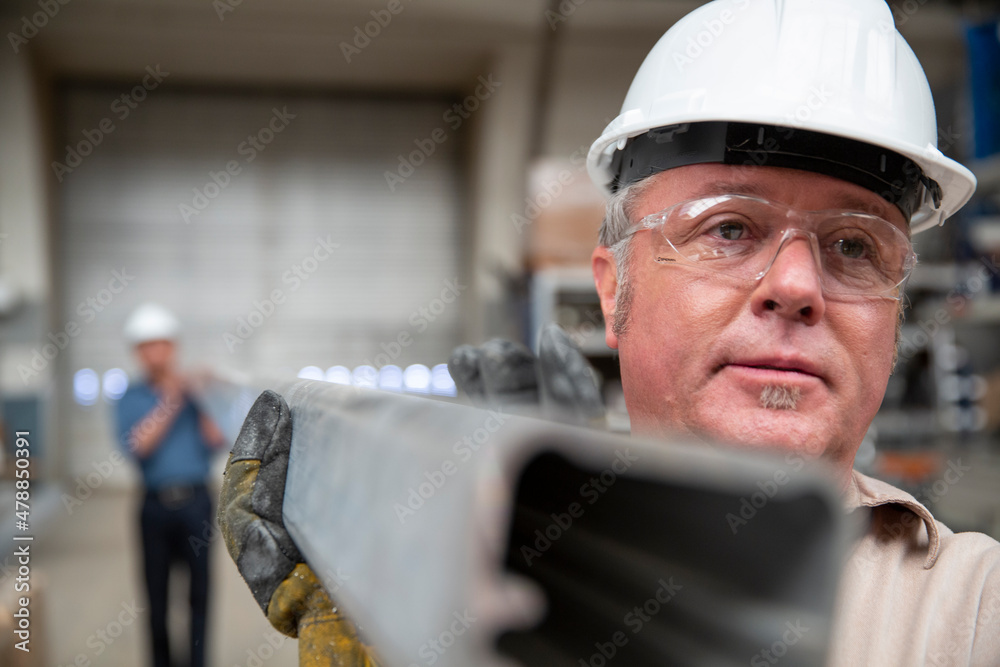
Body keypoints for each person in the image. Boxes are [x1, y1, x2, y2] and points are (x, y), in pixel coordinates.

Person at [218, 0, 999, 664]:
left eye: (856, 246)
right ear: (613, 287)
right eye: (728, 228)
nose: (795, 285)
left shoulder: (969, 610)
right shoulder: (492, 564)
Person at [117, 302, 226, 667]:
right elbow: (140, 445)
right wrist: (174, 397)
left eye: (162, 344)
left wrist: (208, 395)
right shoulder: (130, 397)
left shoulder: (194, 394)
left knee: (200, 596)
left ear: (173, 347)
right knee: (157, 598)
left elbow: (215, 440)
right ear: (137, 352)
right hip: (154, 508)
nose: (155, 353)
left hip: (196, 505)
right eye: (147, 346)